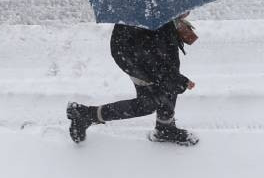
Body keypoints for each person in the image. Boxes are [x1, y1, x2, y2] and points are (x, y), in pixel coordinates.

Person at [67, 13, 199, 146]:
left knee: (167, 86)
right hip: (136, 60)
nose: (187, 11)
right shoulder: (151, 20)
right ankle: (86, 114)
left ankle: (165, 128)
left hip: (138, 54)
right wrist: (181, 81)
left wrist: (175, 22)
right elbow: (158, 67)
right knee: (147, 104)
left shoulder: (156, 14)